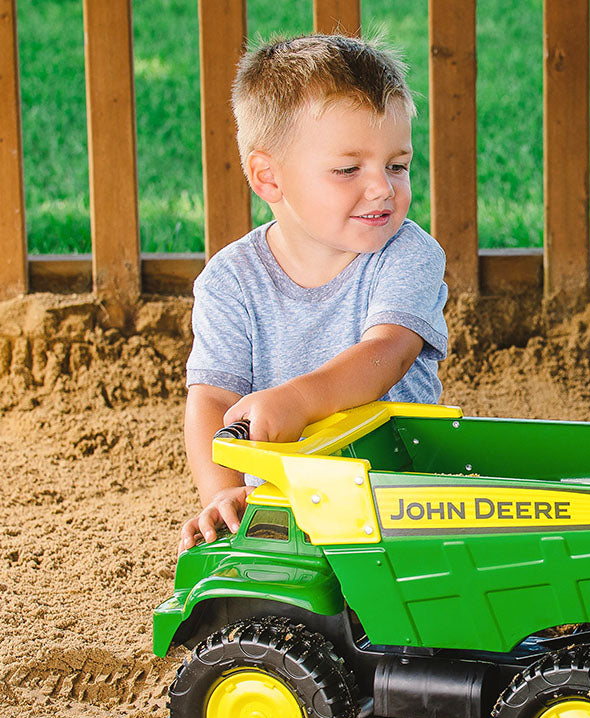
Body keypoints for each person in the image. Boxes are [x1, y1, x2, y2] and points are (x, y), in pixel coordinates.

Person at [178, 33, 448, 553]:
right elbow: (212, 398)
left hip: (398, 498)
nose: (382, 188)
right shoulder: (230, 280)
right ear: (268, 178)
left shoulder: (407, 254)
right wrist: (223, 492)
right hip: (283, 507)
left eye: (397, 165)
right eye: (348, 170)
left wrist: (298, 401)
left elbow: (387, 352)